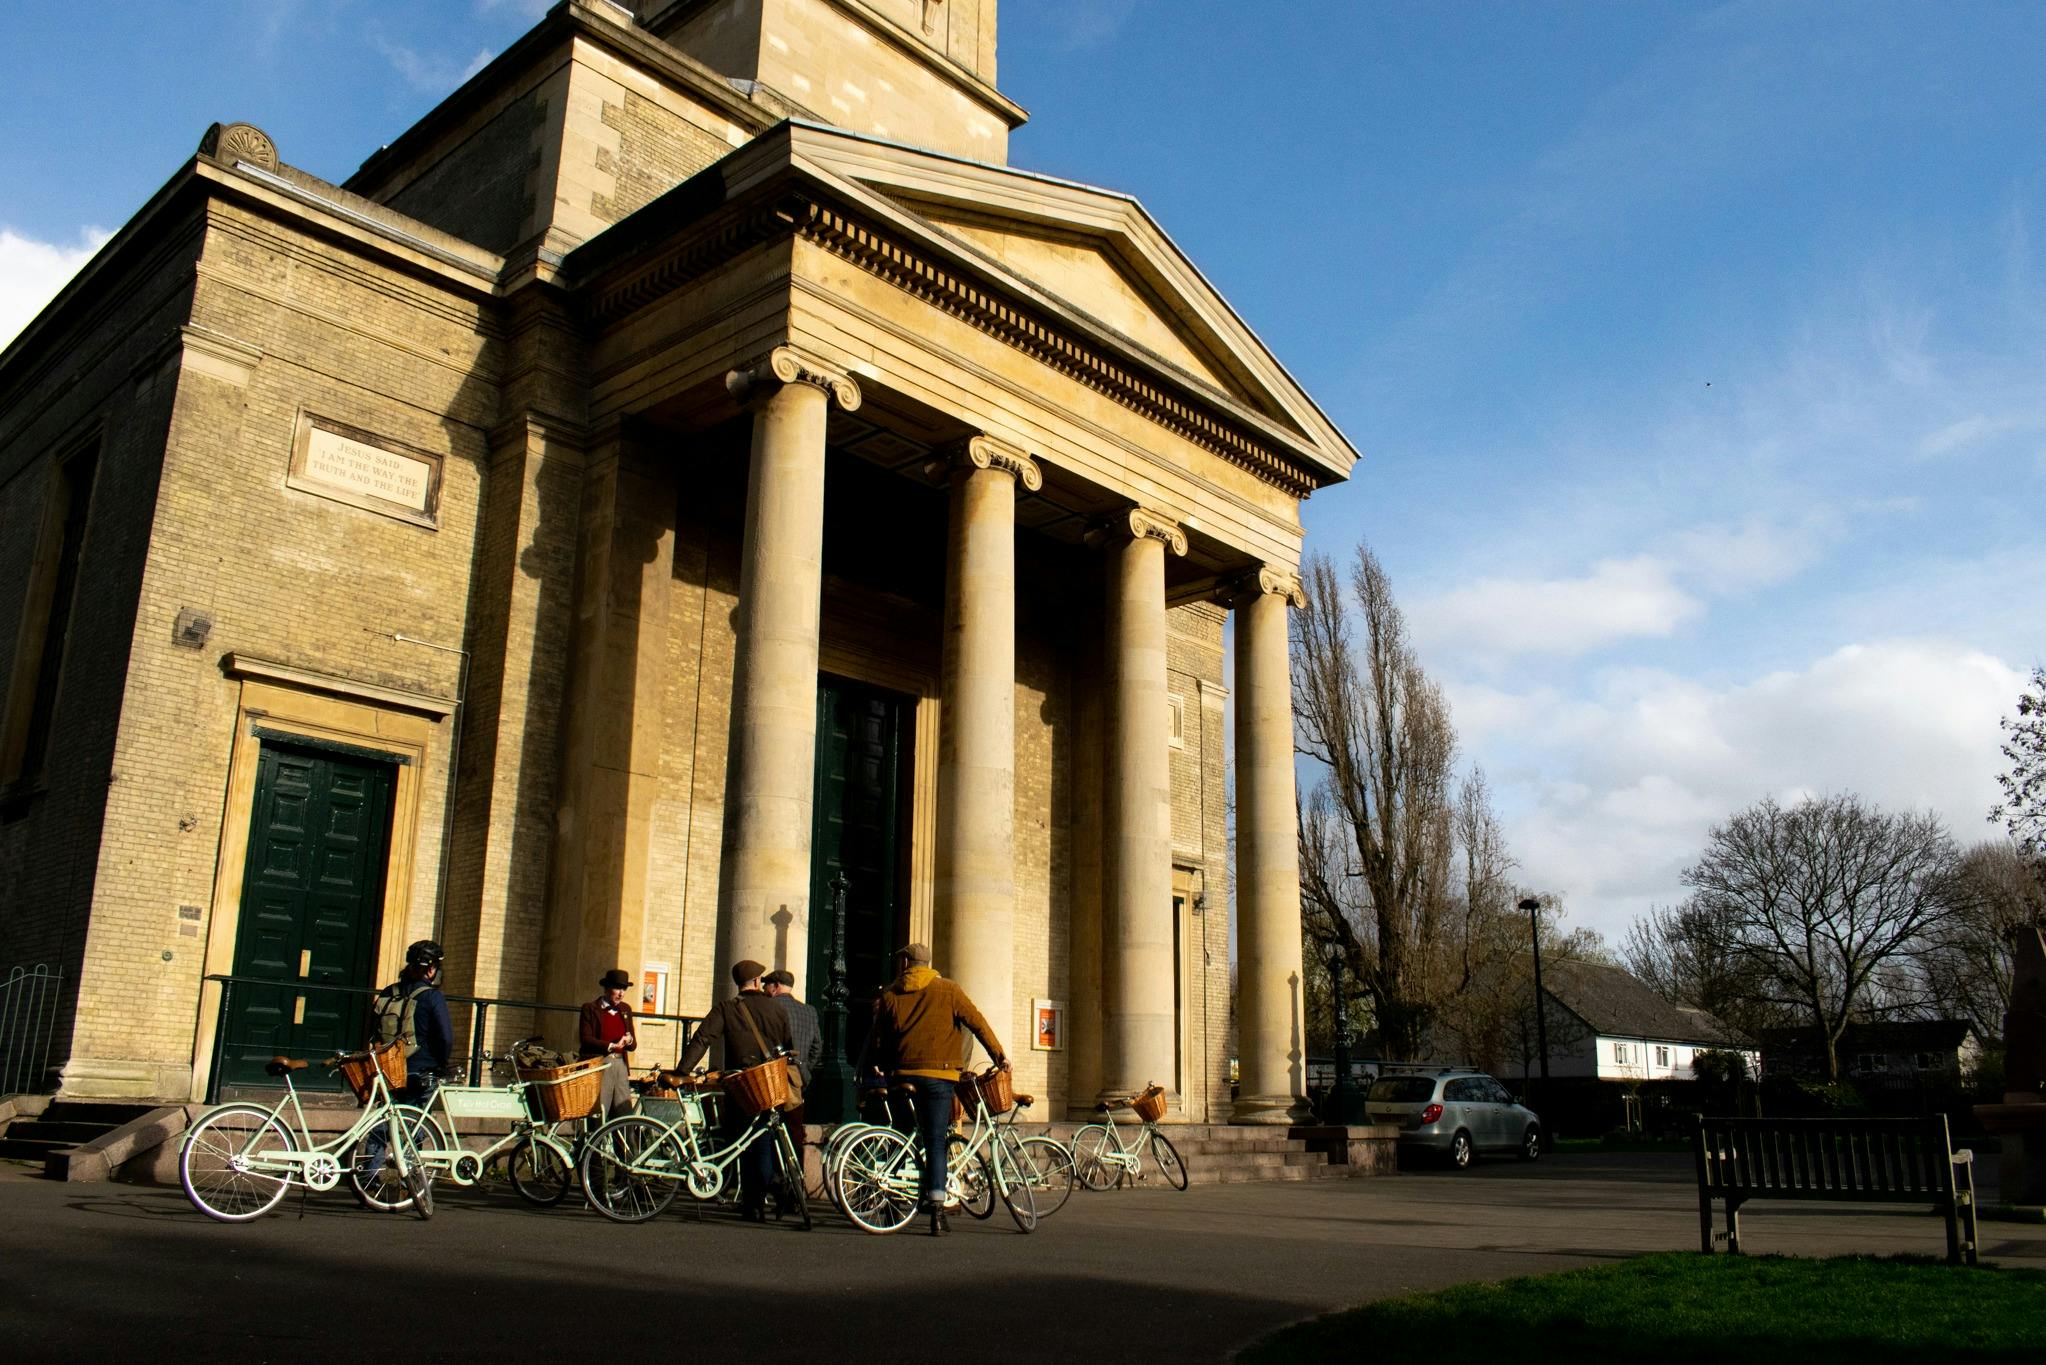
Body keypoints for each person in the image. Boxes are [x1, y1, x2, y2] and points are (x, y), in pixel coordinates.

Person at [861, 942, 1008, 1236]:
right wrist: (999, 1056)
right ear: (928, 964)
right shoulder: (949, 990)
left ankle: (889, 1200)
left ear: (906, 964)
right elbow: (977, 1023)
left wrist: (881, 1065)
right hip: (939, 1075)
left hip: (902, 1075)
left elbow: (880, 1039)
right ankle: (937, 1209)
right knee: (936, 1141)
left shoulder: (890, 994)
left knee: (901, 1133)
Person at [677, 959, 795, 1223]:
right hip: (768, 1082)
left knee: (740, 1140)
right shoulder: (776, 1009)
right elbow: (788, 1044)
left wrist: (682, 1071)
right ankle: (767, 1192)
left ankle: (755, 1202)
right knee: (762, 1139)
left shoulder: (727, 1008)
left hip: (741, 1083)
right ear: (755, 981)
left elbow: (703, 1038)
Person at [357, 939, 454, 1190]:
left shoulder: (389, 992)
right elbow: (445, 1035)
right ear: (431, 969)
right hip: (421, 1068)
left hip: (389, 1067)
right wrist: (442, 1062)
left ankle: (369, 1176)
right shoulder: (432, 997)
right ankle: (411, 1179)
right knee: (415, 1124)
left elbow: (372, 1029)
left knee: (383, 1121)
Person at [762, 968, 823, 1186]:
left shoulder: (770, 1007)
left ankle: (772, 1181)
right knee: (795, 1131)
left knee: (768, 1130)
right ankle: (795, 1182)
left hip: (773, 1077)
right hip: (798, 1078)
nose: (765, 990)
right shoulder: (808, 1011)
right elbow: (817, 1046)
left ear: (775, 986)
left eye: (766, 986)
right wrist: (804, 1069)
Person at [579, 968, 639, 1119]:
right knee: (600, 1111)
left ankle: (625, 1142)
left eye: (624, 989)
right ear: (606, 989)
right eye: (617, 988)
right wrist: (611, 1046)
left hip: (620, 1065)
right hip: (600, 1064)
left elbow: (633, 1046)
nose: (621, 993)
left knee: (624, 1111)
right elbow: (586, 1039)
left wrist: (628, 1039)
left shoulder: (625, 1009)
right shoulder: (590, 1008)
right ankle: (596, 1142)